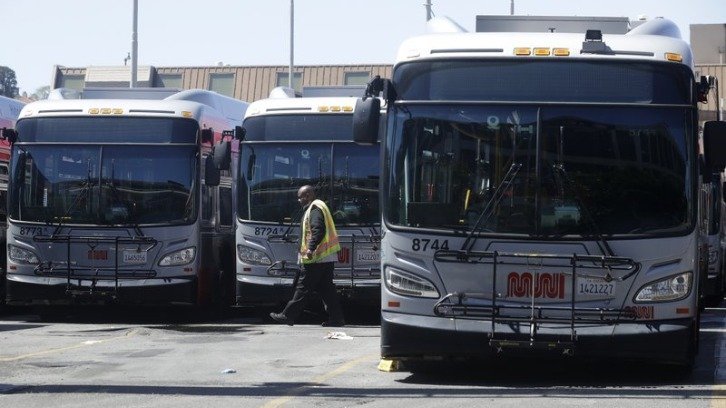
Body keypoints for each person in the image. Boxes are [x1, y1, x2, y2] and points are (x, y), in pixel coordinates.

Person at [269, 185, 346, 327]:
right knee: (327, 290)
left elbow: (318, 230)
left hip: (316, 258)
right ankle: (337, 319)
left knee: (303, 288)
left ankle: (287, 316)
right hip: (325, 257)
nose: (299, 200)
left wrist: (310, 249)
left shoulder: (315, 209)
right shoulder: (317, 208)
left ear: (308, 195)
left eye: (300, 197)